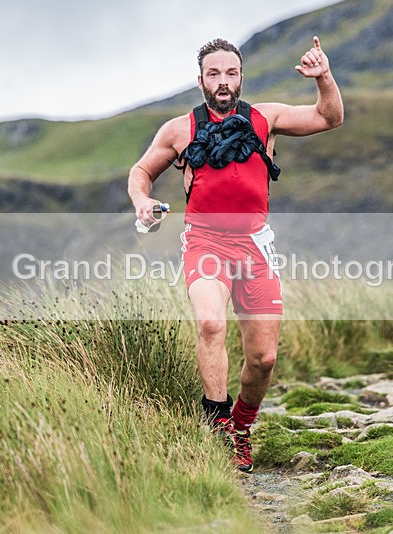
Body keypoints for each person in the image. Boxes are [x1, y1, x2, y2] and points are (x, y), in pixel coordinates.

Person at [128, 36, 343, 472]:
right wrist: (142, 202)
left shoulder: (266, 118)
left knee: (263, 360)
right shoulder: (179, 130)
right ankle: (217, 428)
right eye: (214, 73)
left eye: (231, 73)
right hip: (205, 242)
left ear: (241, 76)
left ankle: (241, 425)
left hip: (255, 246)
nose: (223, 82)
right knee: (210, 323)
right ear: (201, 79)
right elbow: (140, 171)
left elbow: (329, 117)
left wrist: (324, 78)